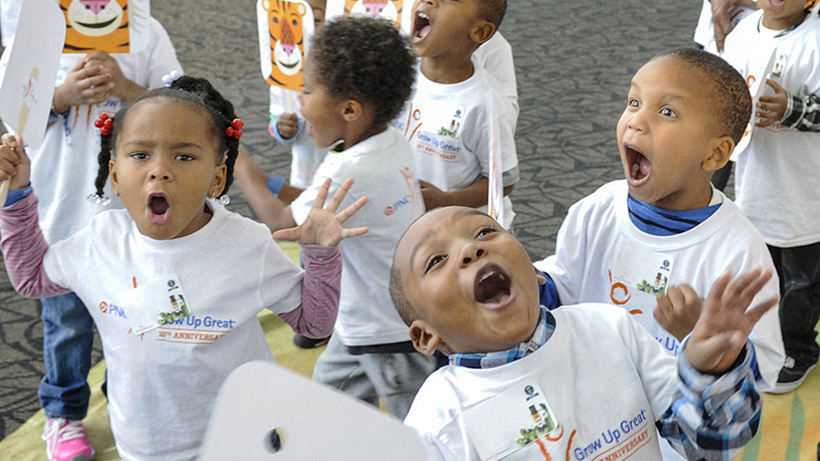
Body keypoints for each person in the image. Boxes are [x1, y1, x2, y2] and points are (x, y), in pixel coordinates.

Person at [0, 76, 367, 461]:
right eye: (140, 155)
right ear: (115, 176)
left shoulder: (247, 245)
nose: (159, 170)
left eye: (184, 156)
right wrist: (18, 194)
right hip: (144, 444)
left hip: (242, 439)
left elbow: (314, 324)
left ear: (217, 179)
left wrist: (320, 256)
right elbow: (32, 278)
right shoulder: (100, 240)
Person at [390, 206, 777, 461]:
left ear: (536, 272)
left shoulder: (608, 328)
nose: (470, 249)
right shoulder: (439, 420)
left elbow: (712, 446)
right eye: (436, 259)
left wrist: (710, 373)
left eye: (485, 231)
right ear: (425, 336)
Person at [0, 15, 182, 461]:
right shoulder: (35, 33)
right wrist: (62, 96)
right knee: (67, 325)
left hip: (132, 218)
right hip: (62, 216)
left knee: (139, 318)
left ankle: (127, 401)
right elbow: (11, 119)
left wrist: (125, 87)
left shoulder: (144, 32)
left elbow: (181, 107)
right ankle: (63, 414)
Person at [237, 16, 437, 419]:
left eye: (307, 91)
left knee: (419, 424)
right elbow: (311, 202)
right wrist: (264, 177)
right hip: (365, 320)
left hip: (388, 333)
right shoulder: (389, 143)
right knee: (330, 400)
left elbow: (284, 222)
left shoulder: (349, 170)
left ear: (349, 109)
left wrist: (236, 160)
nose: (300, 102)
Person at [721, 0, 820, 393]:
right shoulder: (743, 33)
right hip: (757, 187)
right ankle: (765, 343)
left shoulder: (815, 40)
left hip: (806, 194)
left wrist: (791, 109)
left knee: (802, 282)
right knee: (762, 273)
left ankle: (798, 348)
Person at [396, 0, 519, 229]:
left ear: (479, 32)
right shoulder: (397, 74)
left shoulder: (485, 103)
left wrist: (447, 201)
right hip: (412, 227)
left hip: (467, 233)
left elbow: (504, 180)